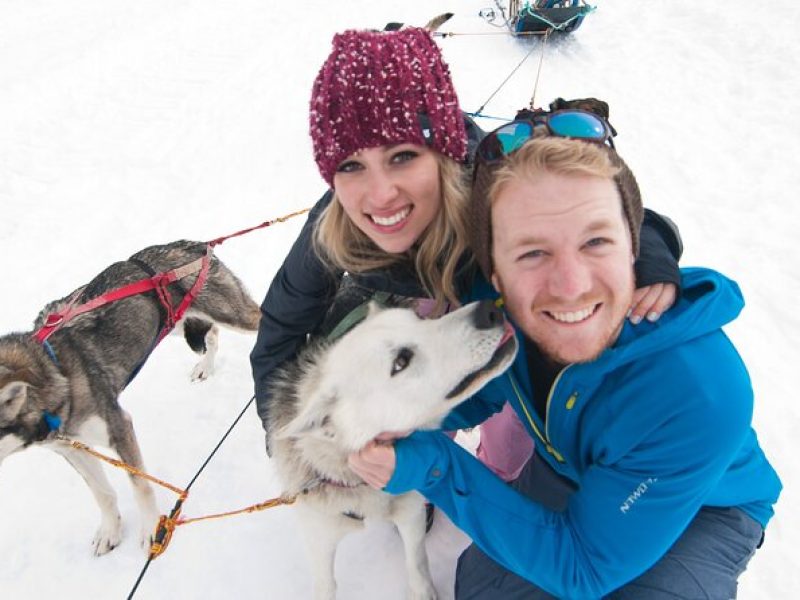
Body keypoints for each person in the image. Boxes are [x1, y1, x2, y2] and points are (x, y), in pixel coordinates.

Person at [348, 120, 783, 598]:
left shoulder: (700, 392)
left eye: (596, 242)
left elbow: (583, 569)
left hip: (709, 509)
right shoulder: (504, 314)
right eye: (533, 252)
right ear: (495, 273)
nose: (571, 285)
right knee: (480, 588)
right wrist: (401, 419)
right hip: (573, 470)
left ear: (633, 247)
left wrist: (430, 465)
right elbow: (484, 389)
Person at [250, 27, 681, 486]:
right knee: (424, 386)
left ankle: (500, 477)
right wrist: (287, 446)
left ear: (444, 154)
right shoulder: (334, 225)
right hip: (428, 308)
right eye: (350, 165)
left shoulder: (490, 184)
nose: (378, 195)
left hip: (501, 304)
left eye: (402, 156)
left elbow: (615, 213)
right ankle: (427, 465)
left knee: (511, 415)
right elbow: (281, 328)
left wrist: (650, 257)